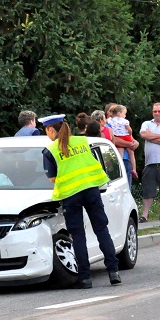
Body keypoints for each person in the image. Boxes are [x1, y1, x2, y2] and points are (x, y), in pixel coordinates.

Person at [39, 114, 121, 289]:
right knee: (101, 229)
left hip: (71, 196)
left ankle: (85, 278)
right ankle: (113, 272)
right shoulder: (83, 142)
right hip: (91, 191)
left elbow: (53, 178)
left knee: (78, 236)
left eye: (46, 130)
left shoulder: (50, 151)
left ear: (51, 129)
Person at [107, 104, 140, 185]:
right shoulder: (107, 125)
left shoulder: (111, 122)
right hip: (114, 159)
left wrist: (136, 142)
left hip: (126, 160)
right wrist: (129, 143)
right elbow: (115, 140)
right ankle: (134, 169)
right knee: (129, 155)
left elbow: (132, 139)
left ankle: (126, 168)